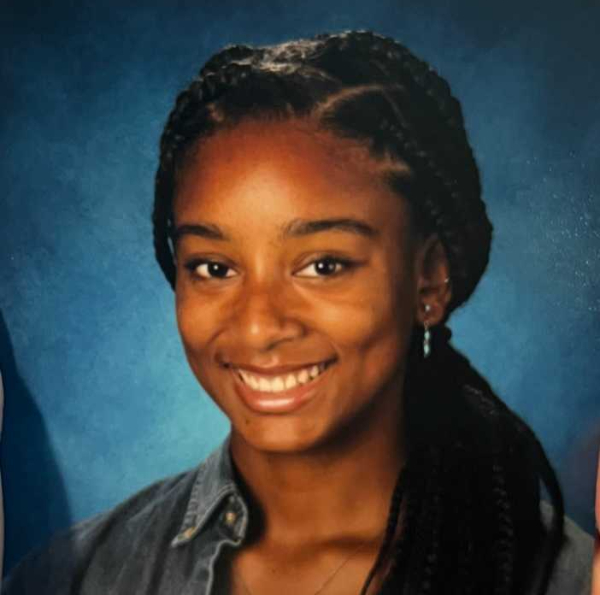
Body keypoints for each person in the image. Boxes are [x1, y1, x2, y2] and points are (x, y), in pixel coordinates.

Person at [2, 30, 594, 595]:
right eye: (214, 268)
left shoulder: (565, 580)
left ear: (430, 278)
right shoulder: (71, 578)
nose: (259, 325)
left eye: (323, 266)